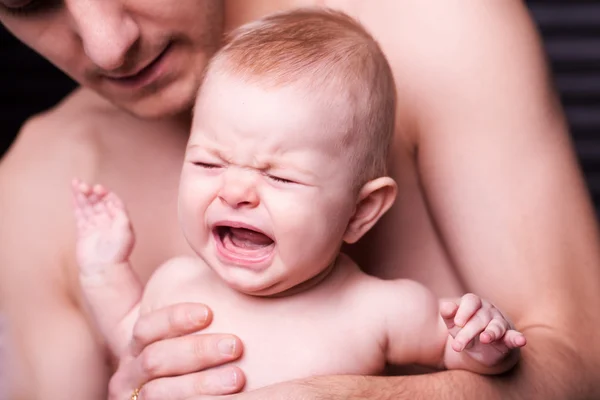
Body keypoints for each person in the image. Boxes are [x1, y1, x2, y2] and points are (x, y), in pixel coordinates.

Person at [0, 1, 599, 399]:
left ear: (362, 210)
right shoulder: (34, 185)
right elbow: (130, 327)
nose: (109, 46)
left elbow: (573, 365)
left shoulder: (439, 26)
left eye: (281, 178)